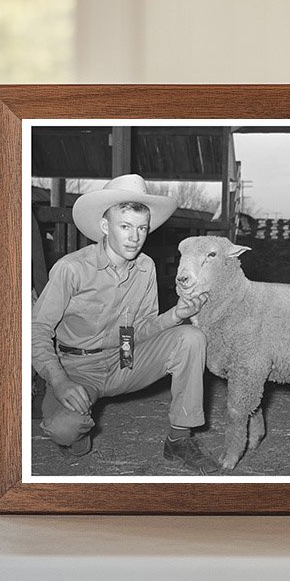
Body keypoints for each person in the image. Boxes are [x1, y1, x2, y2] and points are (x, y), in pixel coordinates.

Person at [32, 174, 218, 474]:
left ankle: (179, 439)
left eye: (142, 228)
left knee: (191, 337)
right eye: (125, 227)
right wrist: (60, 380)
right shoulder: (72, 269)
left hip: (124, 358)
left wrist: (177, 314)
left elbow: (137, 331)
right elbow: (37, 330)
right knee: (64, 429)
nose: (135, 237)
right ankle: (78, 430)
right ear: (105, 227)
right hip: (78, 368)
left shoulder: (145, 268)